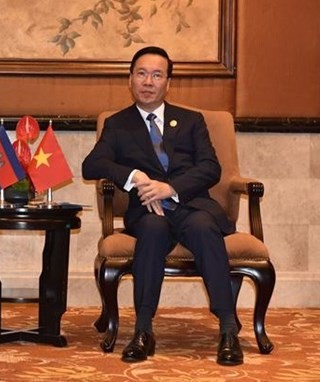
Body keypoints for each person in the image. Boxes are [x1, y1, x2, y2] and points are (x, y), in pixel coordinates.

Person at [82, 46, 243, 366]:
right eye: (141, 73)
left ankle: (228, 329)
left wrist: (170, 188)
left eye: (157, 75)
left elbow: (210, 168)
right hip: (147, 212)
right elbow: (92, 165)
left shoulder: (191, 120)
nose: (148, 81)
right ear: (130, 79)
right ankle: (143, 330)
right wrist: (134, 176)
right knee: (153, 231)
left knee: (202, 226)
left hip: (191, 204)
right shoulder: (118, 124)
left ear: (168, 82)